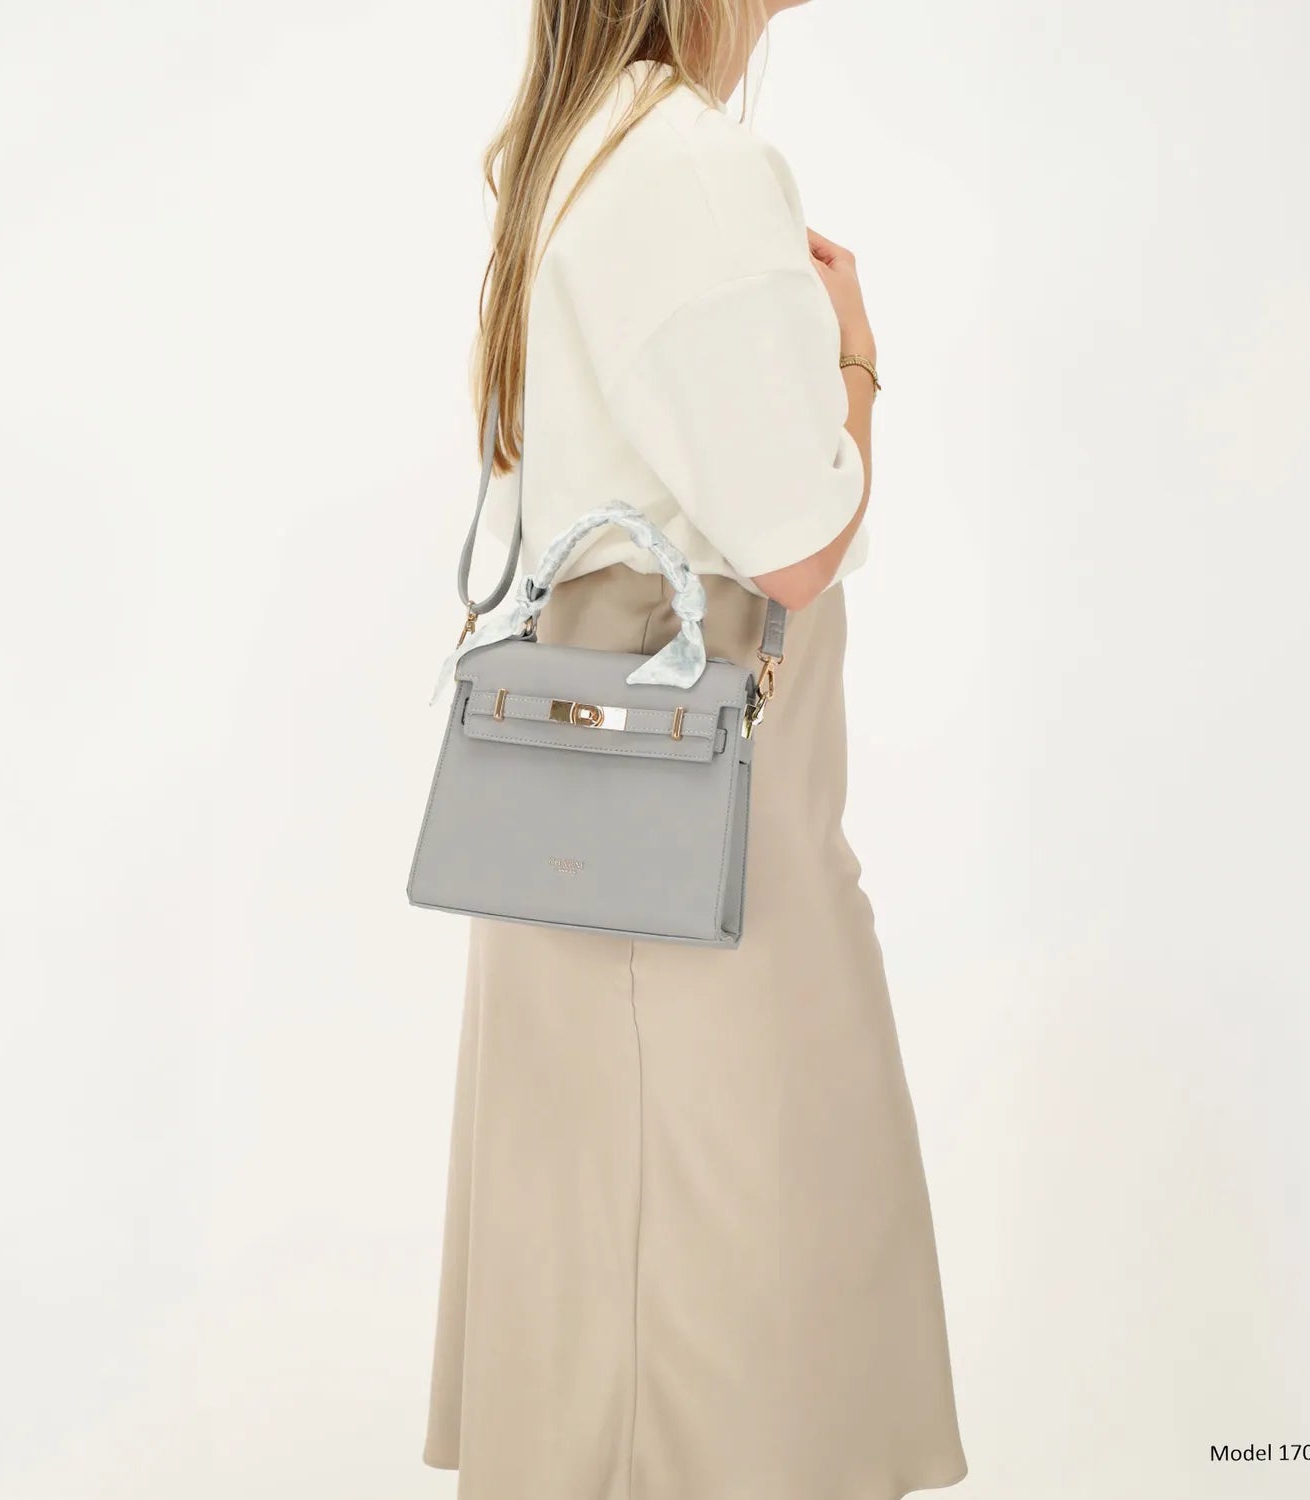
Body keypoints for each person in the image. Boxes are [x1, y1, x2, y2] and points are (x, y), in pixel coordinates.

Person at [422, 4, 968, 1497]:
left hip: (594, 807)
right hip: (697, 825)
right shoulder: (693, 170)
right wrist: (858, 357)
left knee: (608, 1256)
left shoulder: (577, 152)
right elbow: (795, 547)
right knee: (729, 1285)